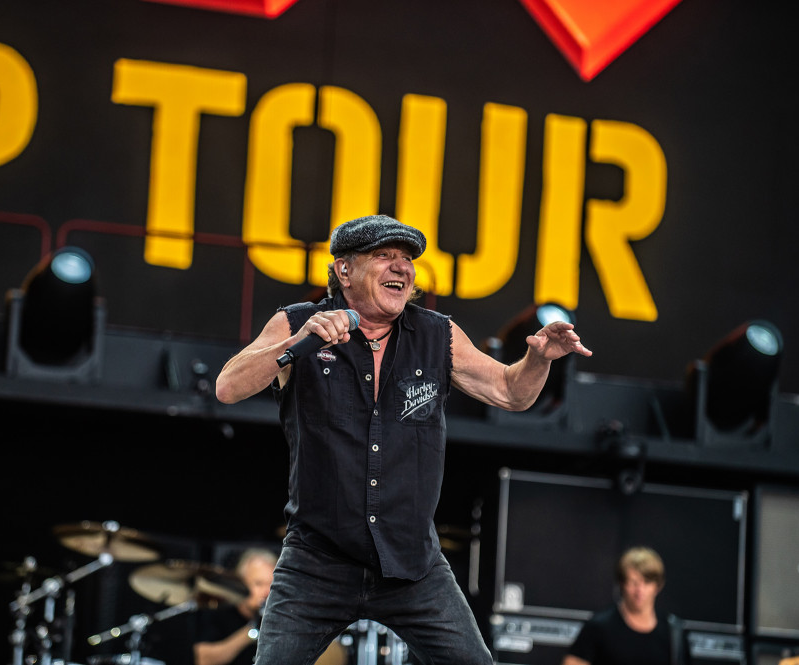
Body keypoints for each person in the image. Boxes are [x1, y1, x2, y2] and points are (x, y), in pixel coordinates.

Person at [214, 214, 593, 665]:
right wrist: (297, 342)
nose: (401, 267)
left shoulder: (436, 334)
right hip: (316, 564)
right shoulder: (298, 323)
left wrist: (539, 359)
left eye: (407, 258)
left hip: (412, 565)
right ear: (344, 270)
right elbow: (228, 387)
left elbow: (510, 392)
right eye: (384, 255)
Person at [562, 546, 683, 665]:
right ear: (621, 584)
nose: (639, 591)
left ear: (658, 585)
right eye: (633, 582)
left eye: (647, 582)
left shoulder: (672, 631)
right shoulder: (599, 626)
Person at [193, 548, 278, 665]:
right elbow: (202, 659)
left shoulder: (280, 619)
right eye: (258, 584)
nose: (267, 592)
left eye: (272, 585)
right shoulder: (219, 612)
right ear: (240, 583)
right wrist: (252, 632)